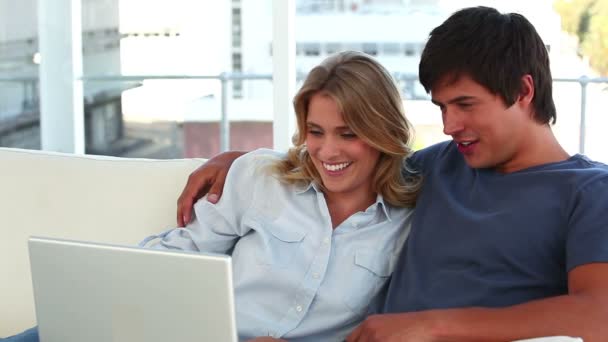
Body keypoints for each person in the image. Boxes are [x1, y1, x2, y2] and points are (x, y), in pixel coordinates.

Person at [177, 6, 608, 342]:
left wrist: (427, 327)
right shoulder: (439, 166)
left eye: (465, 104)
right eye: (441, 107)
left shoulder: (589, 191)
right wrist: (237, 160)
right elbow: (345, 158)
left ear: (524, 91)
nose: (448, 125)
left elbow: (598, 317)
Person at [4, 51, 422, 341]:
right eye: (316, 132)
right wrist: (119, 277)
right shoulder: (261, 176)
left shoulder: (409, 221)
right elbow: (186, 250)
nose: (327, 151)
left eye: (348, 134)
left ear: (381, 132)